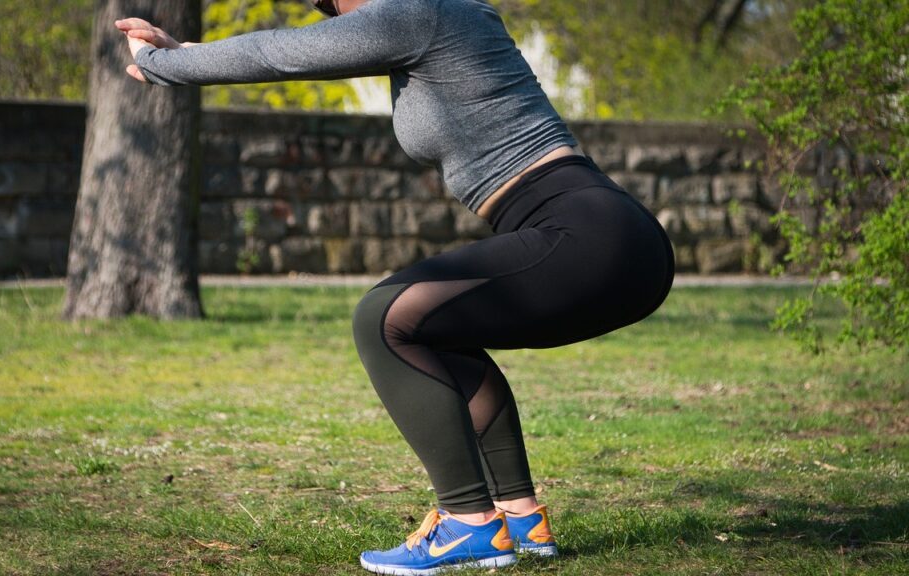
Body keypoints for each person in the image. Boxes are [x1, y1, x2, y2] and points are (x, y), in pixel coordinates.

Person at [117, 0, 674, 573]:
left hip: (586, 234)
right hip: (616, 237)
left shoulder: (420, 12)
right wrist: (182, 52)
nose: (331, 11)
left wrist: (167, 65)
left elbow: (278, 53)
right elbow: (294, 51)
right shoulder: (435, 18)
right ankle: (519, 517)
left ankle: (467, 523)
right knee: (439, 329)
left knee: (383, 319)